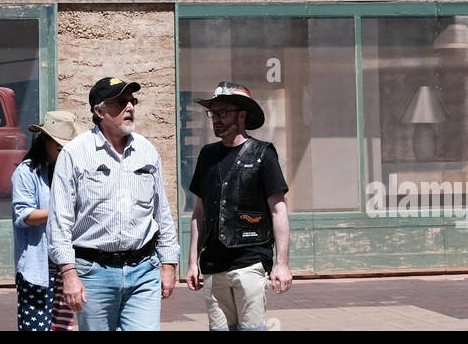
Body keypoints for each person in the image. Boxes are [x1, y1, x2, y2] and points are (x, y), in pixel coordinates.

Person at [48, 77, 181, 331]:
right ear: (99, 111)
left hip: (144, 269)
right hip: (93, 273)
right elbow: (59, 221)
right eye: (121, 102)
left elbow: (162, 212)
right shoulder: (74, 154)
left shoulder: (147, 151)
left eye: (132, 101)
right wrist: (68, 273)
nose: (130, 107)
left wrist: (168, 263)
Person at [185, 82, 291, 330]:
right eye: (213, 113)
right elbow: (199, 213)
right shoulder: (207, 156)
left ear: (242, 115)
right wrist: (192, 262)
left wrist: (282, 264)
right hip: (212, 266)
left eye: (223, 112)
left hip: (250, 261)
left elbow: (279, 211)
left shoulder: (264, 154)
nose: (216, 119)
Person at [11, 110, 81, 331]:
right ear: (45, 142)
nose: (63, 153)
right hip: (38, 268)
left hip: (67, 265)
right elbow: (24, 215)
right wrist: (59, 211)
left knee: (63, 327)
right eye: (59, 147)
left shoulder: (72, 170)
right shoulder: (27, 172)